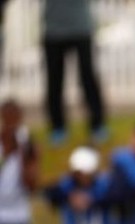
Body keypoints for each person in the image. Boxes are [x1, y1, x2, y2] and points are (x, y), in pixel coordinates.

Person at [42, 0, 107, 145]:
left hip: (81, 28)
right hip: (53, 30)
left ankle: (97, 125)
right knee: (54, 81)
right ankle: (58, 128)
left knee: (88, 78)